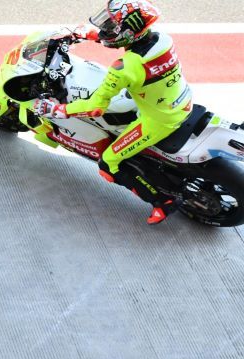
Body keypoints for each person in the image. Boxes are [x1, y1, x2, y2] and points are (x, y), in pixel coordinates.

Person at [32, 1, 192, 225]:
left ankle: (162, 201)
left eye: (111, 25)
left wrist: (58, 109)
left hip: (159, 119)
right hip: (180, 99)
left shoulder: (124, 68)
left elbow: (95, 107)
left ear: (128, 32)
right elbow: (125, 41)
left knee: (109, 163)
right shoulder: (162, 39)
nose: (106, 28)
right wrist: (91, 35)